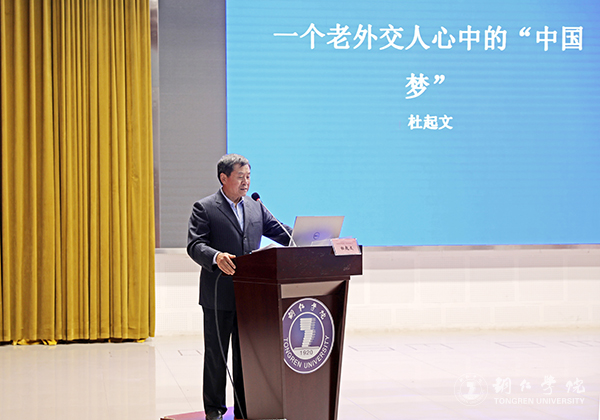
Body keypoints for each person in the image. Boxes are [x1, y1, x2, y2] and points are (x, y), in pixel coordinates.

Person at [187, 153, 292, 420]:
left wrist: (311, 237)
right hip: (218, 294)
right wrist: (216, 256)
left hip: (251, 295)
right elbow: (195, 245)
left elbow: (282, 232)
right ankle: (214, 410)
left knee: (246, 355)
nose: (246, 182)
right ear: (224, 178)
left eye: (249, 176)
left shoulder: (256, 207)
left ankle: (244, 408)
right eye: (240, 177)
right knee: (217, 355)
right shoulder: (205, 208)